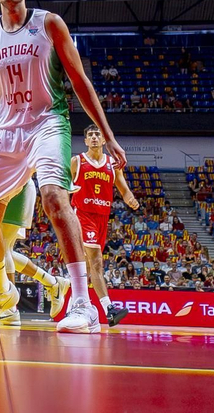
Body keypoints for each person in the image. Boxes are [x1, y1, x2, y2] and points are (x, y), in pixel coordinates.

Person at [0, 0, 126, 333]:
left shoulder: (49, 24)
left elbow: (79, 81)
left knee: (54, 197)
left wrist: (108, 134)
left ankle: (83, 304)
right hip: (7, 132)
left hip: (47, 122)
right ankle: (4, 293)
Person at [0, 96, 67, 325]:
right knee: (4, 251)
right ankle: (53, 283)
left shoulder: (8, 122)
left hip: (17, 187)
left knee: (1, 248)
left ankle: (10, 308)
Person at [70, 123, 140, 326]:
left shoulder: (112, 163)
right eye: (90, 135)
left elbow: (123, 188)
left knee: (90, 266)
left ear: (103, 140)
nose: (94, 137)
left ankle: (74, 302)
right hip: (83, 215)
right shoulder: (77, 161)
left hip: (102, 218)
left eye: (97, 135)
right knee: (96, 261)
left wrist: (130, 198)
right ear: (85, 140)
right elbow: (65, 186)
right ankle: (108, 308)